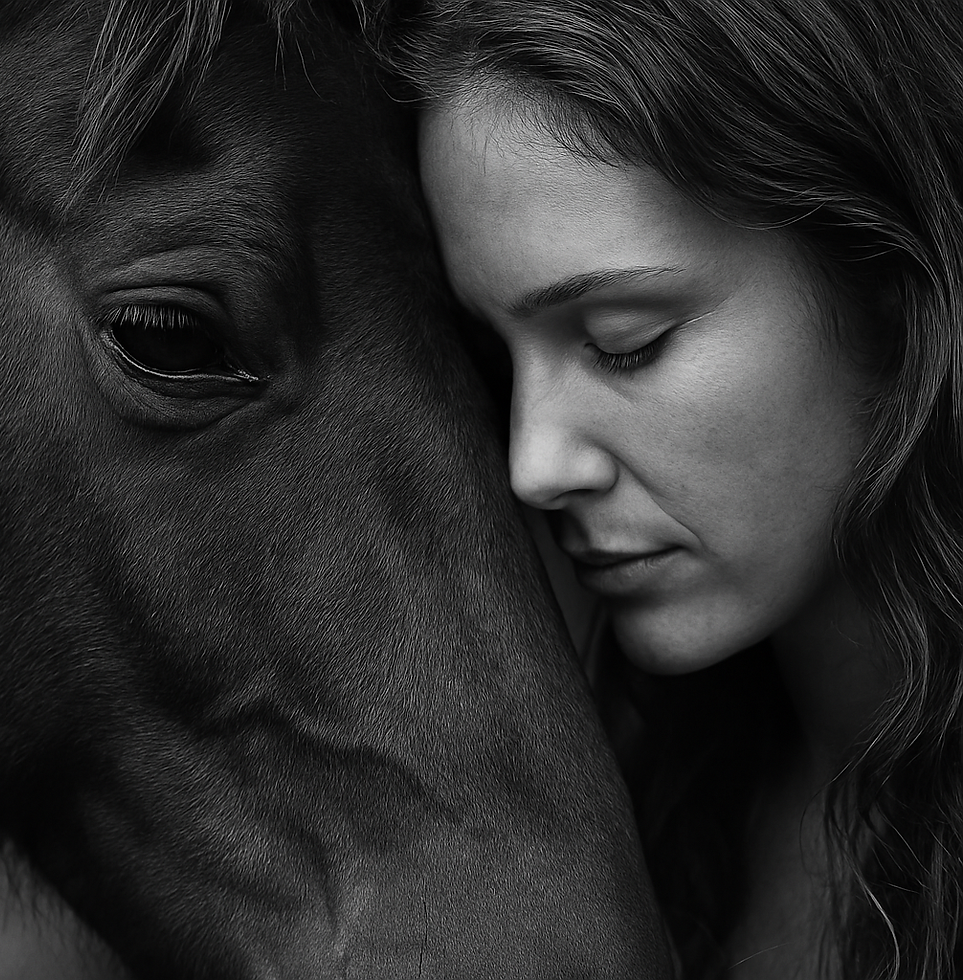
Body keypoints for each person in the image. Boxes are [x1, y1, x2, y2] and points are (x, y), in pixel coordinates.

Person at [379, 1, 963, 977]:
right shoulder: (629, 804)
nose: (534, 463)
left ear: (889, 287)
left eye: (624, 342)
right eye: (492, 356)